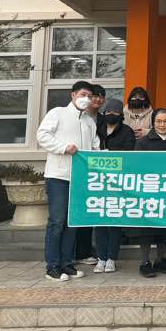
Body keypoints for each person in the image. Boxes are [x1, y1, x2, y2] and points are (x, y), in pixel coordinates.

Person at [36, 80, 99, 282]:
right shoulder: (58, 113)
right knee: (57, 221)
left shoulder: (89, 121)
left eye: (89, 96)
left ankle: (67, 263)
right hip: (59, 176)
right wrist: (64, 148)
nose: (86, 99)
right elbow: (42, 136)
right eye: (82, 95)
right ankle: (52, 266)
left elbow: (94, 147)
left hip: (80, 179)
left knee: (73, 222)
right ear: (73, 95)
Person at [131, 109, 166, 278]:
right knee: (147, 230)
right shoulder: (143, 143)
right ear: (153, 122)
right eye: (159, 121)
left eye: (165, 121)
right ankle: (145, 262)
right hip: (149, 191)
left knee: (164, 229)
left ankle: (161, 259)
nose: (162, 124)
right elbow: (137, 166)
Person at [92, 97, 136, 274]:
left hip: (118, 182)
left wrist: (110, 154)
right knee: (99, 221)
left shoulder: (127, 131)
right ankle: (100, 258)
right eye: (108, 111)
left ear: (121, 114)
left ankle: (111, 258)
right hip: (98, 181)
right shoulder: (96, 130)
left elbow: (130, 153)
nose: (111, 114)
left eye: (115, 112)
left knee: (115, 220)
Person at [75, 84, 107, 266]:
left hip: (97, 171)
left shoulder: (101, 119)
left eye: (101, 96)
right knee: (78, 213)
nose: (97, 99)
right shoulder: (77, 116)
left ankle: (86, 250)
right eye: (94, 96)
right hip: (76, 170)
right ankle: (75, 252)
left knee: (91, 213)